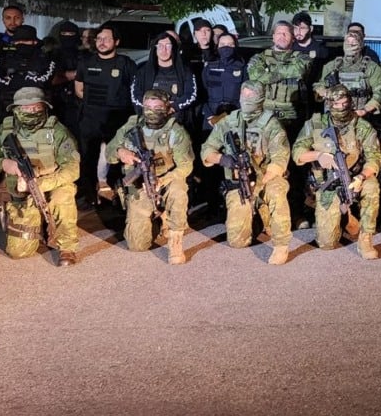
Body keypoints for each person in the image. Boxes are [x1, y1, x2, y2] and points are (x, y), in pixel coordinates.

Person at [0, 87, 81, 266]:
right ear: (15, 109)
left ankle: (67, 247)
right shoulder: (5, 130)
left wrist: (41, 183)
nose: (31, 111)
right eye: (25, 108)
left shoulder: (57, 131)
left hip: (51, 185)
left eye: (36, 107)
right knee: (18, 252)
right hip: (20, 192)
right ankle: (37, 225)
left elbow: (72, 169)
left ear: (44, 107)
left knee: (63, 196)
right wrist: (5, 164)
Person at [200, 81, 292, 265]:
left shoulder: (271, 125)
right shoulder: (228, 121)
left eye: (251, 96)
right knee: (237, 241)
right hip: (238, 181)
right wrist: (223, 159)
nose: (246, 100)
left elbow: (280, 159)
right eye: (244, 95)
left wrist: (258, 187)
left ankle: (281, 245)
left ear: (260, 98)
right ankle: (260, 215)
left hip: (267, 178)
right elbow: (206, 150)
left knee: (277, 193)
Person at [294, 85, 381, 257]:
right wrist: (318, 155)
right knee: (326, 244)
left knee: (372, 186)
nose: (341, 108)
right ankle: (345, 217)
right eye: (336, 104)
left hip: (353, 178)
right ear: (329, 104)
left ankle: (365, 238)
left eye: (344, 103)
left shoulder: (362, 126)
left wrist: (361, 176)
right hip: (326, 182)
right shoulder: (315, 123)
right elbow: (297, 153)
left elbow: (375, 158)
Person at [107, 90, 195, 264]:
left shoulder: (176, 132)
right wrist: (120, 151)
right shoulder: (131, 126)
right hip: (139, 183)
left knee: (178, 191)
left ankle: (175, 240)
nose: (152, 111)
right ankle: (158, 218)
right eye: (147, 107)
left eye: (157, 107)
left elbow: (186, 166)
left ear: (167, 108)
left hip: (166, 181)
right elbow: (109, 152)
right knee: (137, 245)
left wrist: (163, 180)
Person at [75, 25, 138, 209]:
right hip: (90, 119)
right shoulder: (86, 62)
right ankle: (90, 196)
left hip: (117, 119)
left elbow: (135, 90)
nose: (102, 42)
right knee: (89, 158)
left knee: (116, 159)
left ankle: (117, 196)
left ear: (116, 42)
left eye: (107, 39)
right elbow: (79, 88)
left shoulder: (126, 64)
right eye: (99, 39)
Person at [0, 24, 55, 130]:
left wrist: (13, 79)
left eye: (26, 41)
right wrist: (28, 79)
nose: (22, 44)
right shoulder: (4, 59)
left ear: (34, 42)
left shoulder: (46, 60)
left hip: (37, 111)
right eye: (18, 41)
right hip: (8, 110)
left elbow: (44, 81)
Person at [246, 21, 310, 135]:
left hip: (293, 116)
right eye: (279, 33)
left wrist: (269, 71)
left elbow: (299, 70)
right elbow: (255, 76)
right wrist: (287, 71)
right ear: (273, 37)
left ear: (293, 38)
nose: (282, 36)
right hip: (265, 115)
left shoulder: (303, 58)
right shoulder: (259, 58)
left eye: (286, 33)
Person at [131, 31, 199, 129]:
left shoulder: (185, 71)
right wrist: (152, 108)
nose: (164, 50)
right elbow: (135, 95)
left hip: (177, 121)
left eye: (168, 46)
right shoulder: (142, 71)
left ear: (174, 48)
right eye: (160, 46)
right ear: (155, 48)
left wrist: (172, 107)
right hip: (149, 120)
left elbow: (191, 95)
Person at [316, 31, 381, 121]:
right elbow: (319, 86)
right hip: (333, 117)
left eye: (354, 42)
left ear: (361, 45)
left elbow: (380, 92)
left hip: (360, 116)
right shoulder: (331, 66)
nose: (350, 45)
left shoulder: (372, 67)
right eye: (348, 42)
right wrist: (324, 92)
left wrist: (365, 110)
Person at [201, 33, 247, 132]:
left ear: (235, 46)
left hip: (235, 116)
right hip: (212, 116)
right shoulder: (210, 66)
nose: (226, 48)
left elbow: (246, 95)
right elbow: (202, 93)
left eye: (230, 45)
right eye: (222, 44)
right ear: (217, 46)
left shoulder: (242, 67)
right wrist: (209, 116)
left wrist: (238, 114)